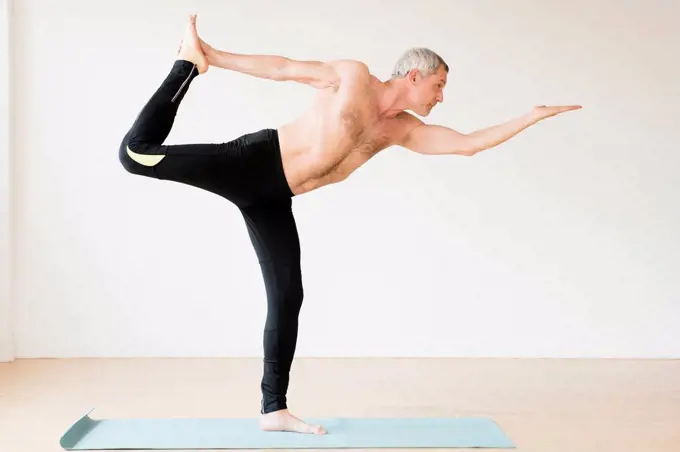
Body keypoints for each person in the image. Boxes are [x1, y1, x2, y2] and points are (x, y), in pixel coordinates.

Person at [118, 14, 581, 435]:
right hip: (252, 163)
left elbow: (467, 145)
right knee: (135, 154)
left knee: (288, 295)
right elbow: (284, 68)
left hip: (275, 198)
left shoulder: (400, 130)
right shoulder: (353, 77)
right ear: (413, 75)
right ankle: (186, 65)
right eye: (438, 85)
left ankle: (272, 409)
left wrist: (530, 117)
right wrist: (212, 57)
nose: (441, 97)